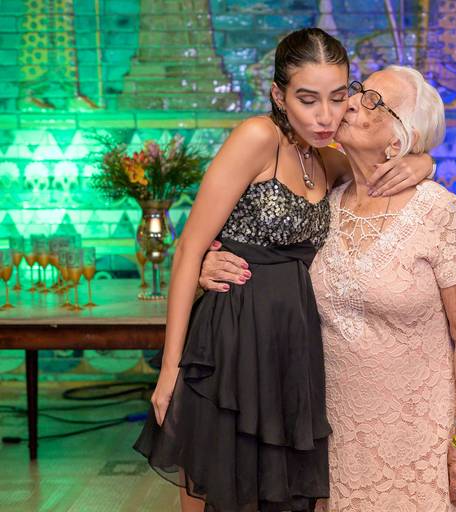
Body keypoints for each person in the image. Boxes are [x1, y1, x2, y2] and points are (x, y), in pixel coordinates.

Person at [133, 28, 433, 512]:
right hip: (233, 336)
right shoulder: (258, 138)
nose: (325, 115)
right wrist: (169, 372)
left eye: (338, 97)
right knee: (220, 490)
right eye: (307, 100)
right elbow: (188, 249)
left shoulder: (327, 158)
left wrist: (424, 163)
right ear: (279, 95)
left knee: (282, 496)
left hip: (293, 345)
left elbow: (385, 166)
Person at [200, 65, 456, 511]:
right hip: (331, 440)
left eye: (373, 101)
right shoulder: (324, 201)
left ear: (400, 139)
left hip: (419, 442)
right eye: (357, 90)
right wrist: (210, 260)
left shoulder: (438, 209)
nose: (350, 103)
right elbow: (265, 253)